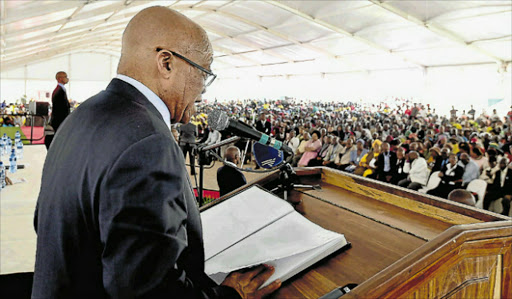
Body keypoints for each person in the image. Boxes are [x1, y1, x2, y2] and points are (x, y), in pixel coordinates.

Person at [32, 7, 280, 299]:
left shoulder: (82, 116)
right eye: (204, 72)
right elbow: (147, 289)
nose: (203, 91)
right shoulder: (148, 142)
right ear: (166, 63)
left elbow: (46, 221)